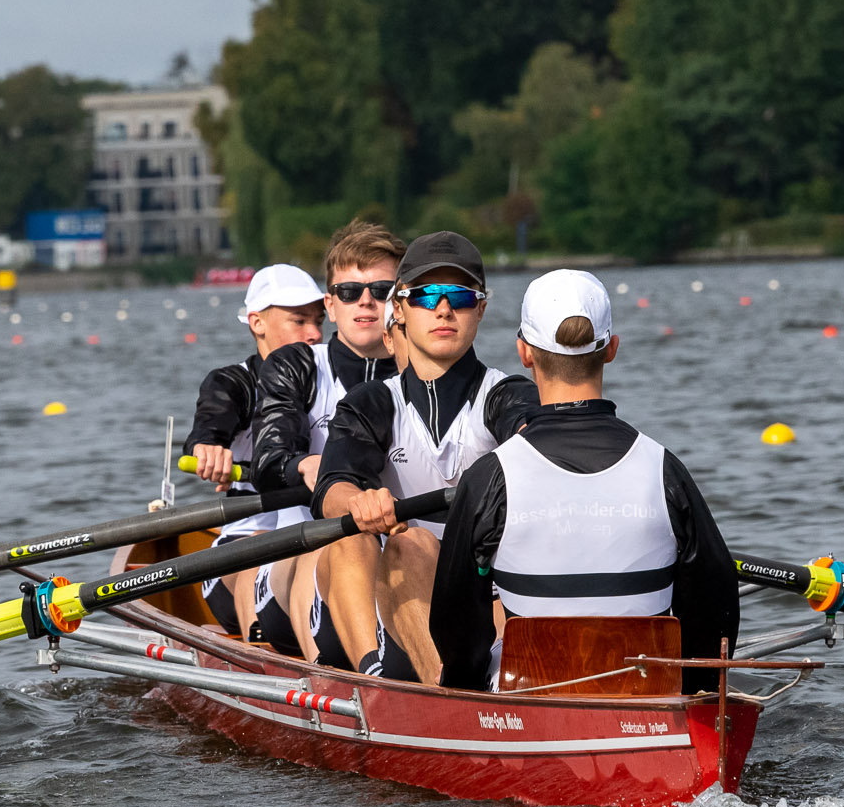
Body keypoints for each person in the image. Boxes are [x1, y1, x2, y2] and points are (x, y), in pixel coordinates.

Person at [423, 269, 739, 692]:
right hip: (648, 699)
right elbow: (717, 606)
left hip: (528, 697)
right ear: (611, 349)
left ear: (524, 353)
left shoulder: (489, 478)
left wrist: (463, 693)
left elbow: (455, 624)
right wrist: (695, 692)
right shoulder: (664, 468)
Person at [313, 232, 536, 682]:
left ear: (482, 309)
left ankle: (481, 690)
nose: (444, 309)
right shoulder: (371, 403)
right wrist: (357, 501)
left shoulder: (508, 395)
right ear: (399, 310)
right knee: (398, 543)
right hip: (401, 610)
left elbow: (533, 434)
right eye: (426, 295)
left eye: (460, 296)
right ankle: (418, 686)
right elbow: (331, 486)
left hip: (484, 598)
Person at [248, 220, 404, 665]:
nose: (367, 302)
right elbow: (267, 460)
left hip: (402, 555)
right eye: (351, 292)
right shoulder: (296, 365)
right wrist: (306, 466)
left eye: (381, 289)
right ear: (331, 306)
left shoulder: (432, 377)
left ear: (403, 302)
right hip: (298, 556)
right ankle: (345, 676)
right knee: (336, 541)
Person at [187, 264, 324, 636]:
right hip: (243, 548)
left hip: (318, 542)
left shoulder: (332, 379)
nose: (313, 334)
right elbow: (211, 421)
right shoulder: (236, 383)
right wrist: (210, 448)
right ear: (256, 323)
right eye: (299, 320)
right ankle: (259, 652)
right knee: (263, 547)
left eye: (318, 320)